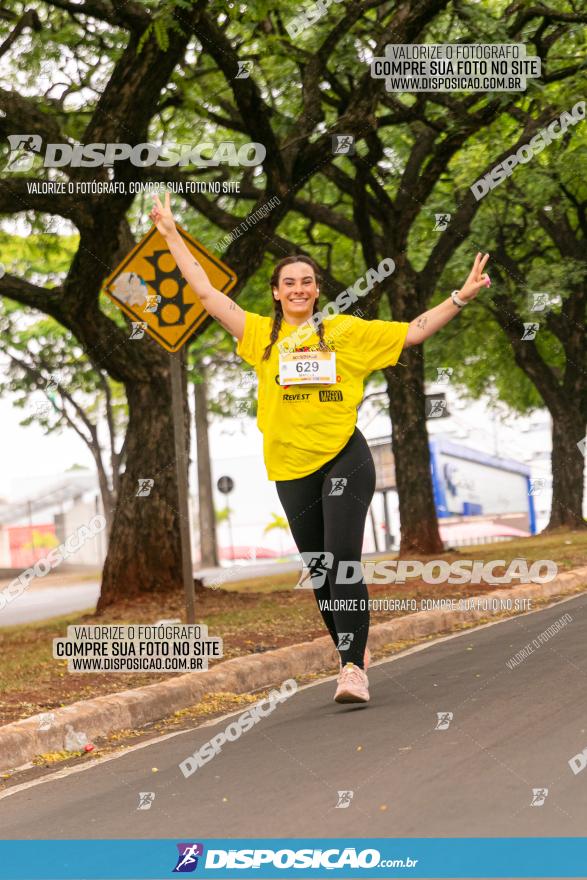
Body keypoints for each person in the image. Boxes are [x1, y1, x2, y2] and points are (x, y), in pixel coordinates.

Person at [149, 192, 490, 704]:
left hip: (343, 458)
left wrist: (458, 297)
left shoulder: (344, 332)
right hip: (289, 469)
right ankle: (350, 648)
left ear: (316, 290)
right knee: (321, 573)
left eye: (307, 281)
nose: (299, 289)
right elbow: (205, 294)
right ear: (276, 292)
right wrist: (172, 234)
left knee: (342, 560)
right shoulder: (259, 335)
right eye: (289, 282)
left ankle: (352, 668)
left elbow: (413, 333)